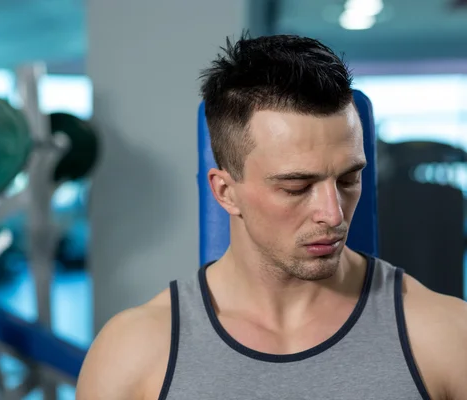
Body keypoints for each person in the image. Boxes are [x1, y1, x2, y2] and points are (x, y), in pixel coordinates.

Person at [75, 33, 467, 400]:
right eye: (296, 187)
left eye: (349, 179)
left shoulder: (445, 336)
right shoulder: (133, 353)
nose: (333, 214)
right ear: (225, 192)